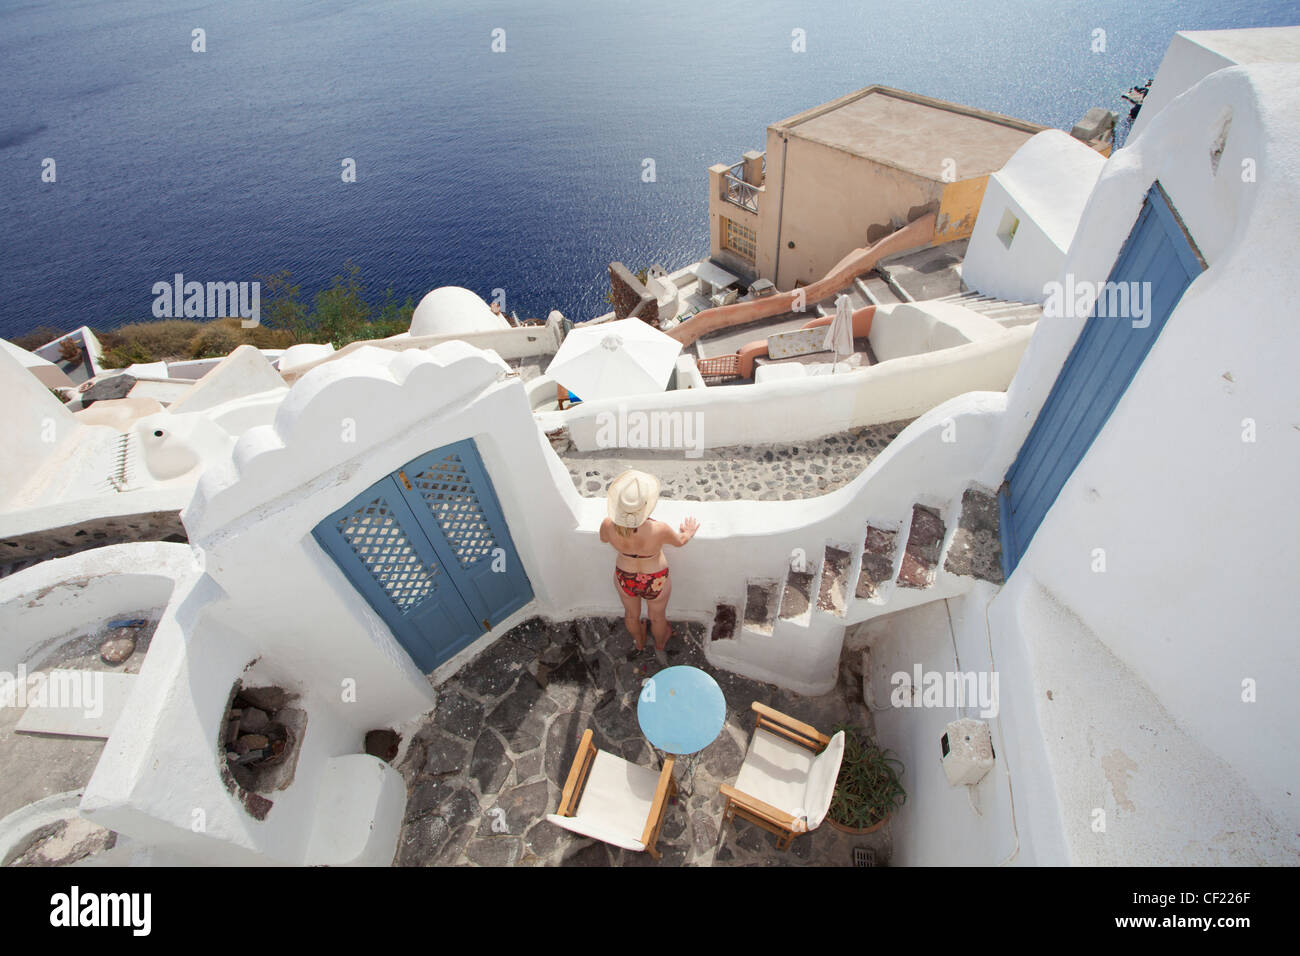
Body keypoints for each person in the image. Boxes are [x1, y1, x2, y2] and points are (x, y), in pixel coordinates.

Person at [599, 470, 698, 665]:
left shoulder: (608, 525)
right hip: (655, 579)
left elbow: (603, 539)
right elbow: (680, 541)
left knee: (631, 615)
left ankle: (639, 642)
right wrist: (688, 532)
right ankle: (660, 643)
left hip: (624, 576)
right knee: (658, 617)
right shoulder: (658, 529)